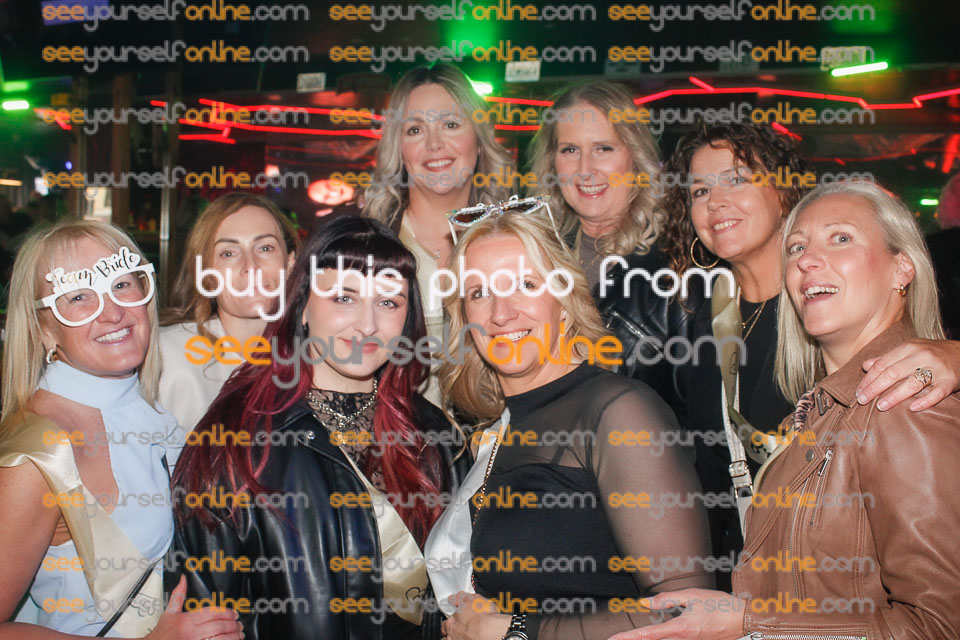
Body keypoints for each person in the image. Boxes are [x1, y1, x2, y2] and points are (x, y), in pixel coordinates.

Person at [609, 180, 960, 640]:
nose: (807, 260)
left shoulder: (908, 405)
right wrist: (739, 614)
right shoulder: (823, 410)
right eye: (796, 248)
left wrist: (749, 624)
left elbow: (939, 626)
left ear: (902, 269)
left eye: (841, 238)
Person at [657, 121, 960, 591]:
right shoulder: (706, 319)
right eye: (699, 191)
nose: (715, 202)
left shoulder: (835, 312)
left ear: (785, 192)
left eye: (736, 179)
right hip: (741, 584)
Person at [168, 216, 467, 640]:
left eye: (388, 302)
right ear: (303, 304)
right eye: (344, 297)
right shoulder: (233, 441)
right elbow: (206, 615)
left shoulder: (434, 437)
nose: (367, 325)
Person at [432, 210, 713, 640]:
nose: (501, 313)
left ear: (564, 302)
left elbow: (686, 614)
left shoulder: (619, 413)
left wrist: (515, 632)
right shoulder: (499, 431)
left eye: (525, 285)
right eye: (479, 292)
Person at [0, 219, 241, 639]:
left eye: (122, 284)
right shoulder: (38, 455)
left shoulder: (146, 410)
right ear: (43, 328)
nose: (112, 312)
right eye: (78, 296)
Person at [528, 80, 702, 420]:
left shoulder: (679, 267)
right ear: (552, 163)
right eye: (570, 150)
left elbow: (697, 420)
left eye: (604, 148)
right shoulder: (534, 256)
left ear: (635, 156)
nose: (585, 169)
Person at [363, 63, 514, 405]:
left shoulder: (517, 244)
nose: (434, 144)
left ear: (479, 140)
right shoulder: (367, 251)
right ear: (399, 148)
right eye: (415, 129)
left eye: (450, 124)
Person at [158, 192, 298, 460]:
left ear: (290, 263)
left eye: (265, 248)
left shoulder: (315, 359)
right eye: (229, 253)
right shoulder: (166, 357)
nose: (251, 266)